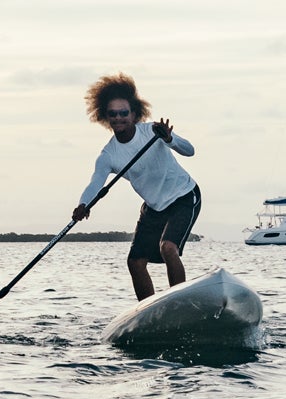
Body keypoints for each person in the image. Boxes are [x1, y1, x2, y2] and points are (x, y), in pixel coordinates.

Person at [72, 72, 200, 301]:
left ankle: (180, 303)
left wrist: (169, 139)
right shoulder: (108, 155)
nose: (119, 118)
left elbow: (189, 150)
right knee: (135, 262)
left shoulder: (152, 131)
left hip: (183, 196)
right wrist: (84, 204)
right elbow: (95, 183)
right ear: (106, 116)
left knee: (168, 248)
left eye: (124, 113)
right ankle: (148, 312)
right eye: (113, 114)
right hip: (154, 206)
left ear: (134, 114)